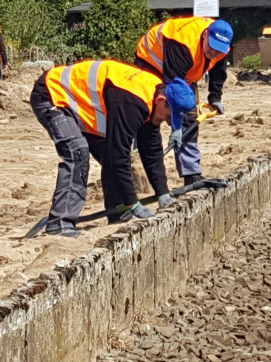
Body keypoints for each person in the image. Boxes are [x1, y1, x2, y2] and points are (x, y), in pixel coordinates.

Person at [29, 60, 196, 238]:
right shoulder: (132, 103)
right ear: (162, 101)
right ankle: (59, 225)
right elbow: (119, 156)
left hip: (81, 106)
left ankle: (119, 214)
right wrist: (134, 204)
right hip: (52, 94)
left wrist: (163, 192)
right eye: (168, 116)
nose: (166, 121)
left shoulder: (153, 97)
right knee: (78, 152)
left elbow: (152, 149)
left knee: (111, 157)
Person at [135, 17, 233, 185]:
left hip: (184, 74)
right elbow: (175, 91)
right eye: (212, 48)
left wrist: (215, 97)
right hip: (152, 63)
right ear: (205, 35)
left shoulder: (220, 47)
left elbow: (218, 71)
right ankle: (136, 161)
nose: (214, 53)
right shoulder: (182, 44)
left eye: (219, 51)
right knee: (150, 113)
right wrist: (176, 127)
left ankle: (191, 173)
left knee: (190, 117)